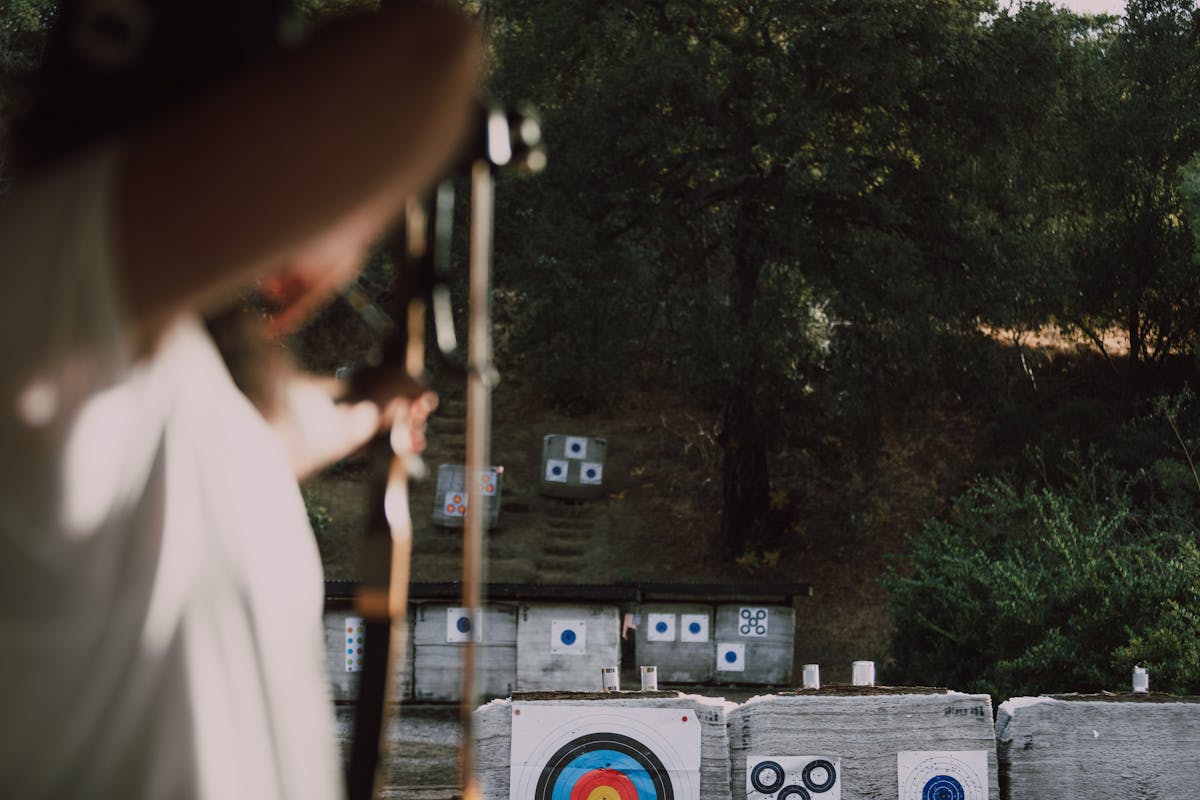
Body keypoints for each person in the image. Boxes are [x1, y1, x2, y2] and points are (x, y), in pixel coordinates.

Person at [0, 0, 481, 797]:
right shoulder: (36, 292)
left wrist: (369, 409)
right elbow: (428, 52)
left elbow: (272, 432)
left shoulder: (139, 394)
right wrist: (328, 228)